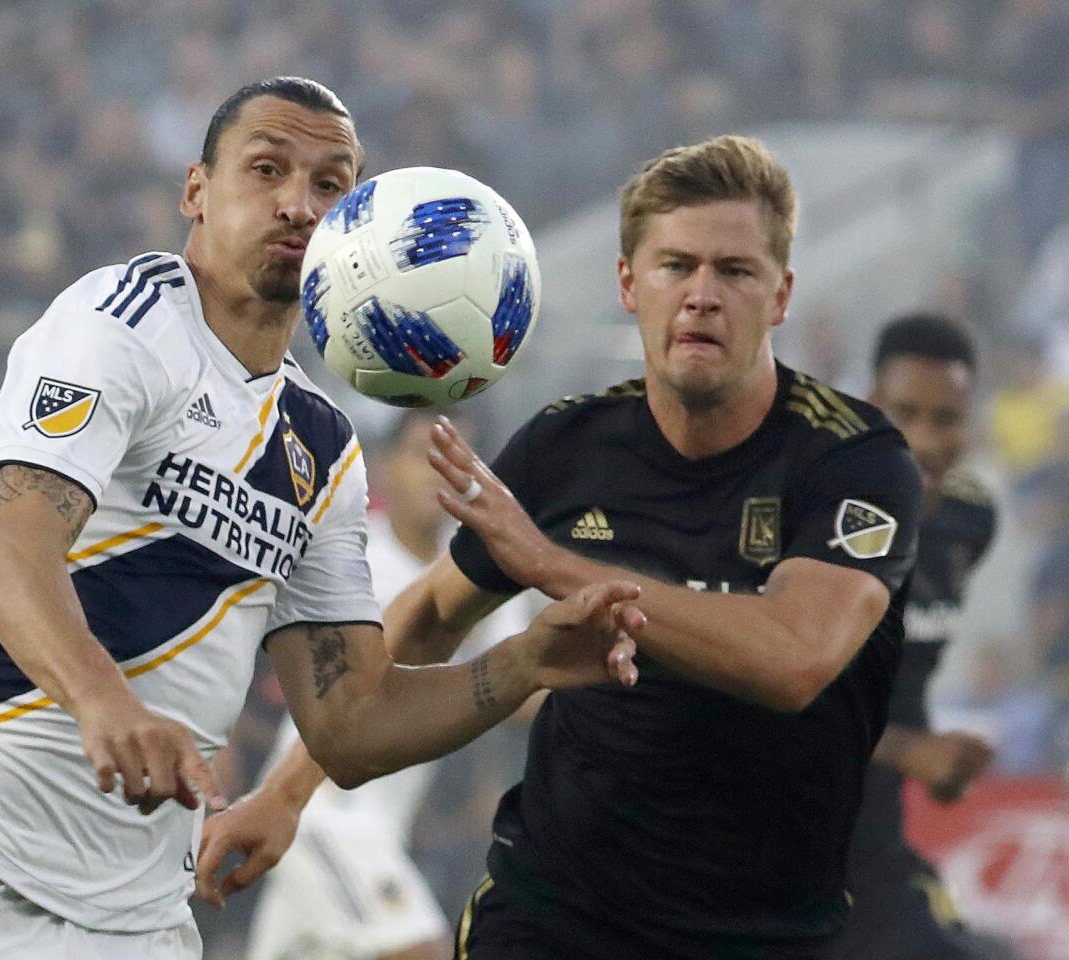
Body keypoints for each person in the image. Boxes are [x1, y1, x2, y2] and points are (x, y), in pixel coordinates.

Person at [0, 77, 645, 960]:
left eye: (330, 186)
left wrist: (522, 663)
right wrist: (104, 702)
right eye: (267, 169)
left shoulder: (323, 447)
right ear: (196, 190)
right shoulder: (120, 322)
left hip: (137, 916)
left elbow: (349, 721)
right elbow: (12, 552)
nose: (297, 203)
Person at [207, 134, 924, 959]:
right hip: (555, 910)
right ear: (628, 282)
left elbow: (794, 658)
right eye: (674, 266)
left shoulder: (853, 460)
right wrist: (289, 794)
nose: (701, 296)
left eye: (734, 271)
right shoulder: (567, 447)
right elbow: (427, 618)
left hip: (764, 930)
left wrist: (552, 564)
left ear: (782, 293)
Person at [243, 411, 534, 960]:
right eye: (421, 456)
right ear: (383, 468)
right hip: (325, 811)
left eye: (455, 461)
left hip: (382, 824)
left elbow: (523, 680)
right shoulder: (349, 559)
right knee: (420, 950)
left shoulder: (472, 573)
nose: (437, 475)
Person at [830, 315, 1001, 959]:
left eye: (947, 417)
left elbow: (907, 676)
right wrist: (910, 751)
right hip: (785, 850)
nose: (927, 440)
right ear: (872, 405)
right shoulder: (824, 523)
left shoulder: (970, 522)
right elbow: (775, 695)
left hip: (880, 850)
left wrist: (943, 761)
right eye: (907, 413)